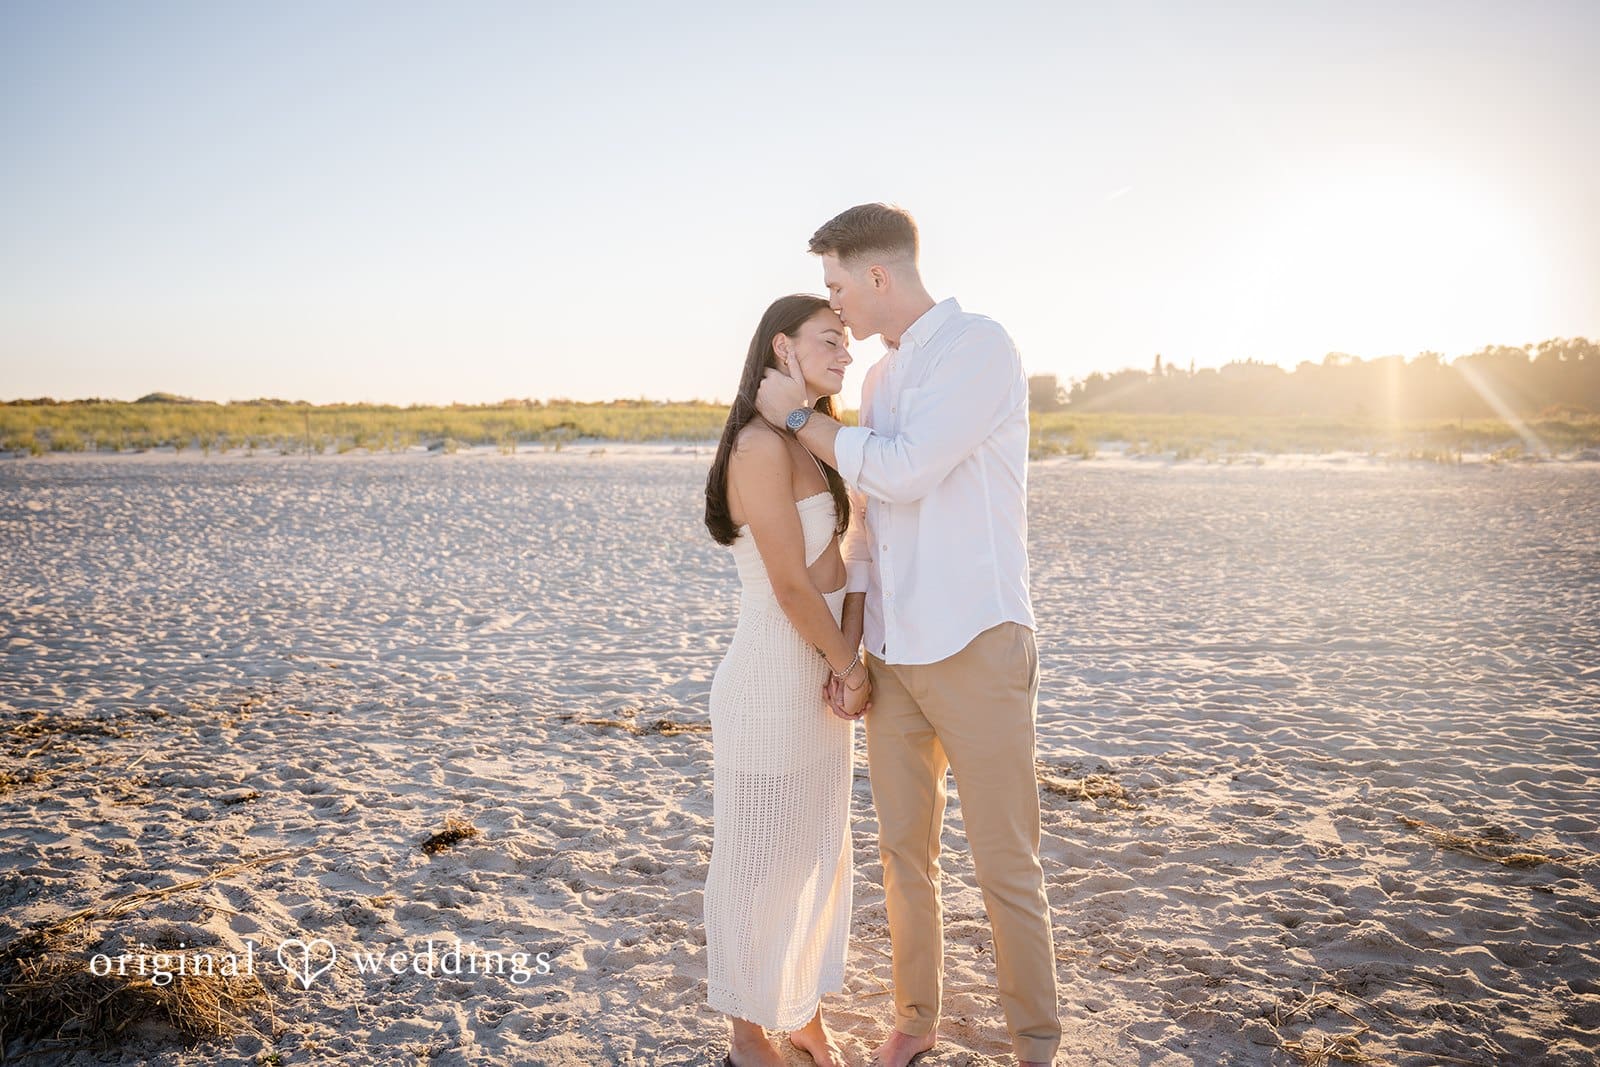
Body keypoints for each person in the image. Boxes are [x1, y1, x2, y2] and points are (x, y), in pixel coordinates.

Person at [755, 204, 1060, 1067]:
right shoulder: (882, 380)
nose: (834, 303)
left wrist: (798, 418)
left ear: (877, 276)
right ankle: (915, 1020)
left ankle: (1035, 1044)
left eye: (837, 285)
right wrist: (849, 645)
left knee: (1005, 860)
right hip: (893, 656)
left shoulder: (979, 348)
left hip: (978, 641)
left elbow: (905, 470)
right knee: (902, 855)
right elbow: (871, 526)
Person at [702, 293, 873, 1067]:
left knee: (813, 852)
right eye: (828, 339)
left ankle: (801, 1009)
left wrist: (849, 658)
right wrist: (848, 667)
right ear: (782, 347)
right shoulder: (756, 446)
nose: (845, 353)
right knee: (756, 862)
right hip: (772, 681)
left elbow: (850, 561)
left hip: (823, 678)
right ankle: (746, 1034)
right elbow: (791, 586)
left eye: (846, 341)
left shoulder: (815, 439)